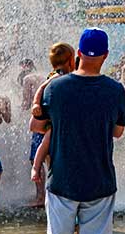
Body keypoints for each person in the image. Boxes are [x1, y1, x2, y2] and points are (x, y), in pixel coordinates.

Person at [30, 28, 125, 234]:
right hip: (100, 182)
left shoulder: (55, 88)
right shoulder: (115, 90)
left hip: (62, 181)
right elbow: (118, 132)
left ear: (79, 54)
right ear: (106, 55)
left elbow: (36, 126)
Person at [29, 42, 77, 203]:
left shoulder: (70, 76)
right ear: (71, 60)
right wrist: (36, 104)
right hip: (51, 121)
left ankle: (52, 191)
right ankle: (36, 168)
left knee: (53, 159)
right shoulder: (57, 76)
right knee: (47, 142)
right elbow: (41, 89)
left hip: (57, 120)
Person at [19, 58, 45, 207]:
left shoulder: (28, 79)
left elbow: (26, 103)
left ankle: (40, 197)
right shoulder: (45, 76)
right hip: (52, 121)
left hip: (40, 122)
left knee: (35, 159)